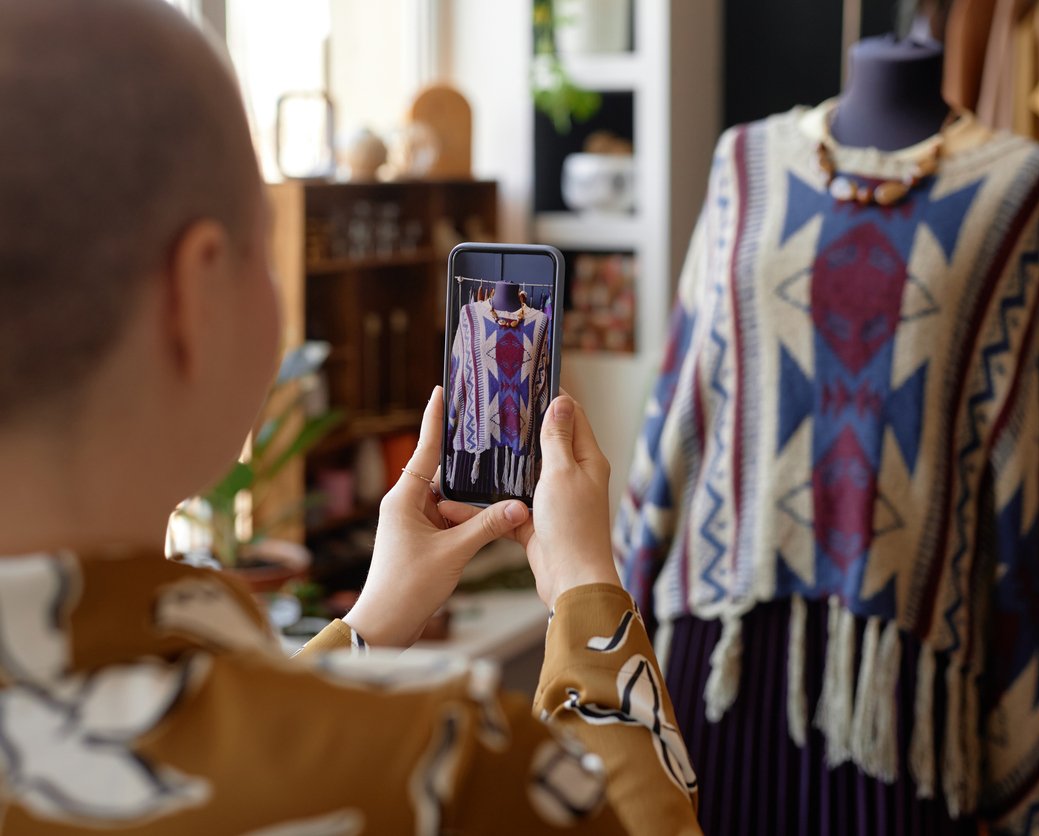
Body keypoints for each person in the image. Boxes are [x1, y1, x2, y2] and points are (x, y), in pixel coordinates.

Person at [0, 0, 699, 832]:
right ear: (195, 295)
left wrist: (371, 623)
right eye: (267, 247)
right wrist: (586, 586)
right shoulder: (441, 766)